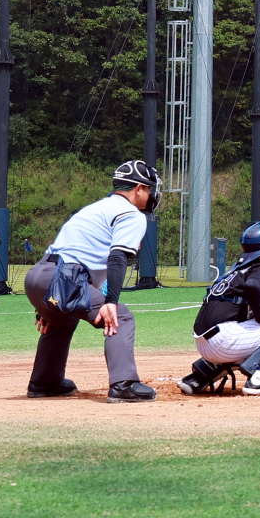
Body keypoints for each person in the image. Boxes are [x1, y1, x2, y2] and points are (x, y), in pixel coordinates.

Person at [23, 159, 160, 402]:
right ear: (138, 188)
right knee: (121, 317)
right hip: (62, 278)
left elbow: (79, 256)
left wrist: (47, 303)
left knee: (62, 322)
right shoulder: (132, 214)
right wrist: (111, 301)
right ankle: (123, 385)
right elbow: (117, 257)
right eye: (149, 188)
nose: (151, 193)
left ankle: (45, 382)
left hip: (38, 275)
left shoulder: (96, 208)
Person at [178, 220, 260, 397]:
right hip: (223, 341)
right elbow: (254, 285)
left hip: (205, 343)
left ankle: (199, 378)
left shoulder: (237, 269)